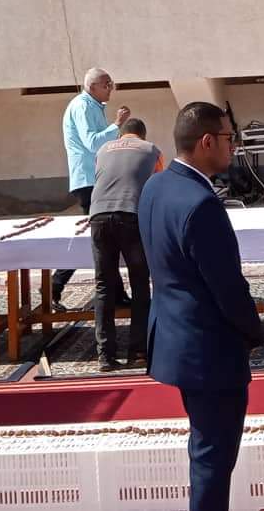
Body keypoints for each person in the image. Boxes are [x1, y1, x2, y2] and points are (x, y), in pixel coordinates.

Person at [139, 102, 263, 511]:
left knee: (205, 452)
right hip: (209, 350)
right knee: (213, 460)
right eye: (229, 138)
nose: (233, 146)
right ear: (207, 141)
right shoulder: (201, 203)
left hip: (176, 339)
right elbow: (227, 287)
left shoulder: (156, 186)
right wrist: (256, 332)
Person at [88, 117, 162, 371]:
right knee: (140, 285)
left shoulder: (103, 149)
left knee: (103, 287)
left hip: (98, 217)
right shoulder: (151, 150)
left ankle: (105, 356)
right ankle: (138, 353)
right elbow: (157, 187)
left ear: (121, 135)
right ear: (142, 135)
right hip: (131, 216)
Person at [52, 68, 130, 307]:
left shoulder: (93, 106)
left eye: (111, 83)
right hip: (88, 180)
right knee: (101, 236)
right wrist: (117, 124)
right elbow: (93, 143)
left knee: (102, 236)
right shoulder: (83, 106)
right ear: (92, 86)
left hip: (95, 178)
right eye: (107, 84)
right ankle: (56, 284)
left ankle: (114, 293)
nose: (111, 88)